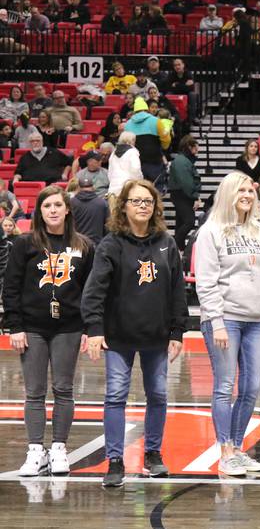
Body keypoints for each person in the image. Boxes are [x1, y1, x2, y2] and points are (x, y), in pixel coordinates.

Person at [82, 180, 189, 487]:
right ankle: (115, 460)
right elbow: (95, 291)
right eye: (136, 201)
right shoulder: (111, 245)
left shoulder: (166, 243)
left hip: (157, 336)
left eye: (148, 201)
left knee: (158, 395)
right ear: (124, 206)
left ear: (155, 207)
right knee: (115, 396)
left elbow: (177, 290)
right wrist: (94, 329)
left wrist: (178, 331)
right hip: (118, 336)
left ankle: (153, 454)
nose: (143, 206)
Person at [5, 186, 93, 477]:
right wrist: (14, 326)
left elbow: (91, 291)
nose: (53, 210)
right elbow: (11, 288)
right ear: (39, 211)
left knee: (64, 389)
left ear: (67, 209)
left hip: (69, 327)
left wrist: (90, 328)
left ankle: (58, 449)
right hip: (31, 328)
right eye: (47, 206)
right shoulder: (25, 244)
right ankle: (35, 450)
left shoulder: (84, 246)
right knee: (34, 392)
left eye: (58, 205)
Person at [195, 172, 260, 476]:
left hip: (256, 320)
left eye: (251, 190)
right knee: (225, 386)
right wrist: (215, 321)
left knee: (251, 388)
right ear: (228, 193)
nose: (247, 195)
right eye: (241, 190)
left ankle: (239, 449)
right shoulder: (211, 231)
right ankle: (225, 450)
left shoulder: (259, 230)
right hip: (225, 319)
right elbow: (205, 282)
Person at [124, 98, 171, 182]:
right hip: (154, 161)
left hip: (136, 162)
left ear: (134, 111)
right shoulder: (156, 121)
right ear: (147, 110)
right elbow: (166, 138)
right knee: (156, 189)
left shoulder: (127, 125)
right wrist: (164, 147)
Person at [168, 135, 201, 252]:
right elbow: (186, 182)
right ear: (189, 147)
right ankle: (174, 246)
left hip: (181, 194)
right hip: (182, 195)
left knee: (180, 222)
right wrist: (195, 196)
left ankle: (179, 248)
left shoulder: (182, 161)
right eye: (195, 149)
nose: (197, 152)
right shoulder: (182, 161)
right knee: (189, 221)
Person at [70, 176, 109, 244]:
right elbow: (108, 227)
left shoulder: (71, 203)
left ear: (78, 187)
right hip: (96, 245)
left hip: (76, 244)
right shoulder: (102, 203)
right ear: (93, 187)